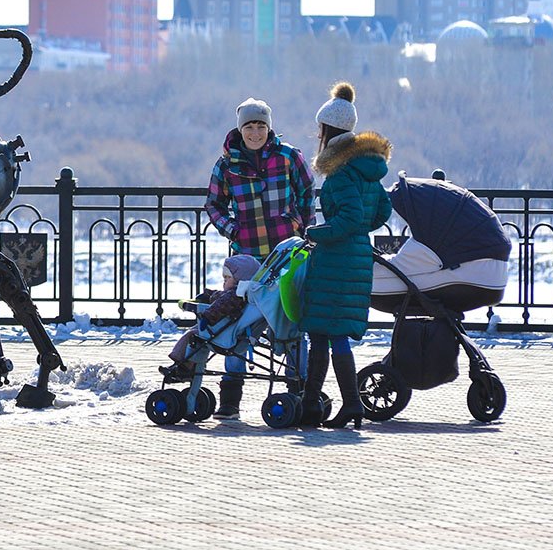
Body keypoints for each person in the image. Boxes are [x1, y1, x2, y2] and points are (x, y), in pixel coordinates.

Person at [205, 97, 315, 419]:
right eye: (250, 127)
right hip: (247, 256)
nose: (255, 133)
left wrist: (302, 228)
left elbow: (307, 192)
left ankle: (298, 390)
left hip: (287, 256)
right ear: (241, 130)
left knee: (293, 322)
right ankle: (230, 399)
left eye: (261, 126)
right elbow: (213, 204)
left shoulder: (289, 157)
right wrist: (232, 230)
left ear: (269, 127)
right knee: (237, 324)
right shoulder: (227, 164)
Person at [298, 82, 392, 429]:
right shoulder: (365, 168)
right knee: (326, 333)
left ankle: (344, 404)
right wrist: (360, 230)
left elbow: (349, 218)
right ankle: (315, 404)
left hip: (336, 261)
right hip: (356, 258)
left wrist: (316, 233)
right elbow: (382, 210)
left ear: (327, 131)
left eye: (320, 129)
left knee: (326, 334)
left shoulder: (339, 174)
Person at [158, 254, 261, 398]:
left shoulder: (234, 295)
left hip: (221, 334)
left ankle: (183, 366)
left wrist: (207, 316)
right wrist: (207, 295)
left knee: (192, 335)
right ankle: (186, 366)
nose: (224, 282)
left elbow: (220, 306)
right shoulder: (244, 293)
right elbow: (219, 297)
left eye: (227, 278)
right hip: (229, 332)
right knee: (198, 337)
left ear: (239, 280)